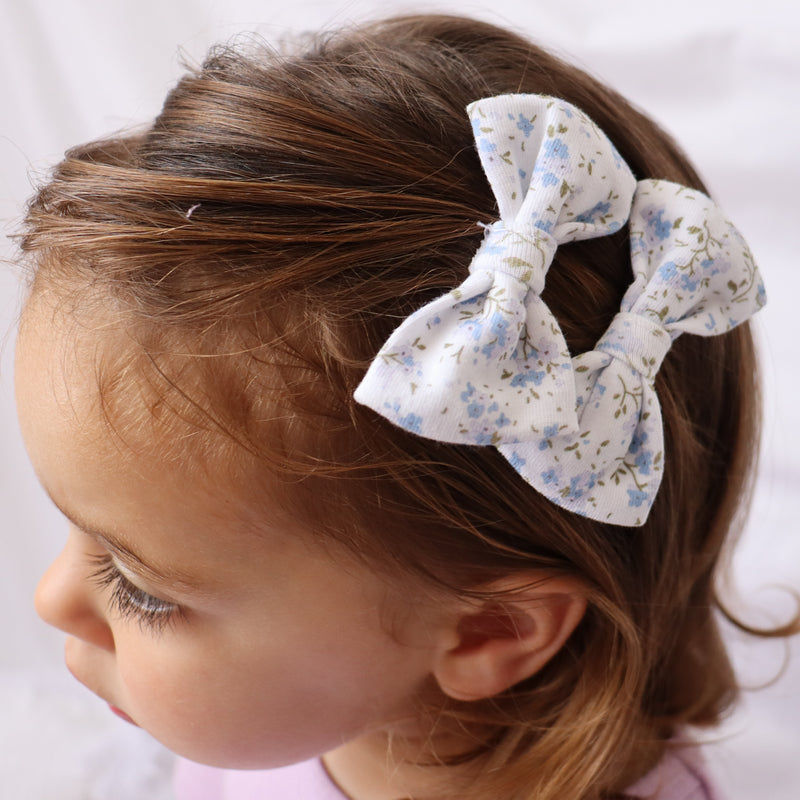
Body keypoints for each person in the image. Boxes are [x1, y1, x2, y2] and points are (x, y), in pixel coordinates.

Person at [14, 13, 797, 800]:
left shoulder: (271, 708)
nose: (51, 599)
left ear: (490, 631)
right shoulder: (279, 716)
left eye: (142, 589)